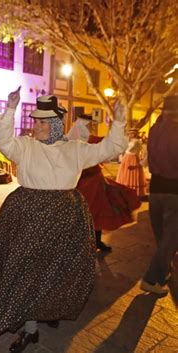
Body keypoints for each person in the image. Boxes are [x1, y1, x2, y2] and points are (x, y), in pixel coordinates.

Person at [0, 88, 127, 353]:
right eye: (35, 121)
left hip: (66, 216)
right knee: (28, 271)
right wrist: (10, 109)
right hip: (29, 215)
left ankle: (50, 307)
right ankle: (30, 328)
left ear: (55, 125)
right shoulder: (25, 146)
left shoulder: (76, 149)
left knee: (60, 267)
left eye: (42, 122)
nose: (36, 126)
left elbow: (110, 148)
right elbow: (2, 138)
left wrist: (119, 121)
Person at [67, 114, 141, 252]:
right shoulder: (71, 143)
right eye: (90, 125)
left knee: (99, 212)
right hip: (81, 186)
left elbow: (111, 145)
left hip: (96, 184)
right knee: (87, 215)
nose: (92, 127)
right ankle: (83, 244)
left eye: (92, 125)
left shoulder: (93, 140)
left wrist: (122, 133)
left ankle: (96, 241)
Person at [140, 95, 178, 295]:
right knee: (171, 237)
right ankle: (151, 279)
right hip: (174, 190)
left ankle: (164, 270)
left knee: (162, 235)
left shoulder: (154, 129)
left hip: (155, 188)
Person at [116, 128, 147, 196]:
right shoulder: (129, 140)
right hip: (126, 157)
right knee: (125, 173)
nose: (131, 134)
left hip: (133, 157)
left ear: (135, 134)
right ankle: (125, 189)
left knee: (133, 173)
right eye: (130, 133)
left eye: (132, 133)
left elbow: (131, 149)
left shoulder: (137, 141)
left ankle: (133, 190)